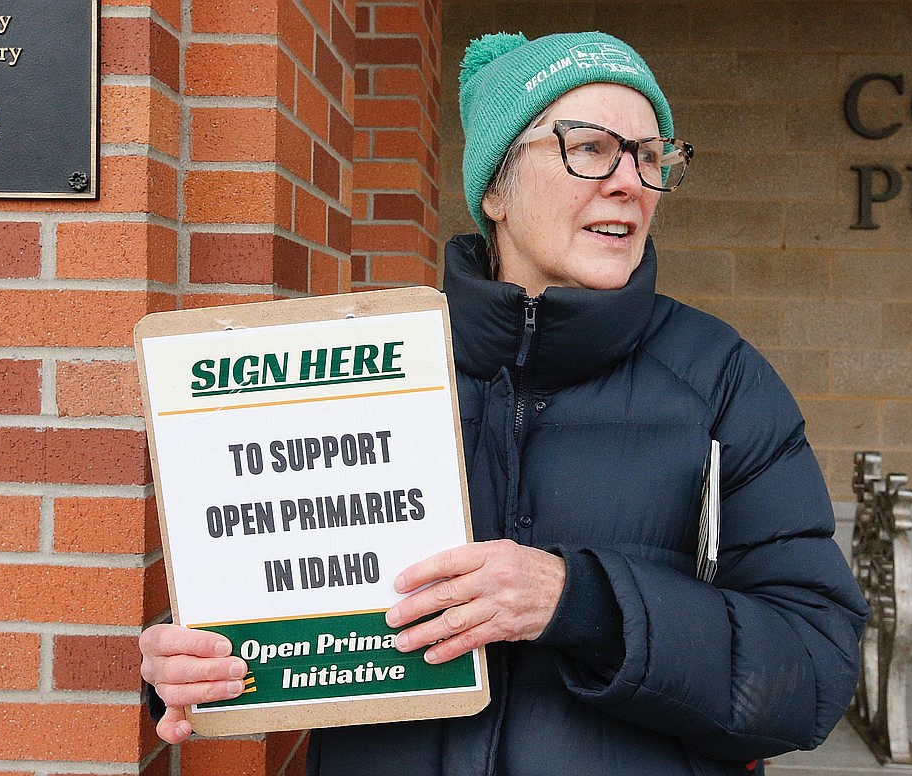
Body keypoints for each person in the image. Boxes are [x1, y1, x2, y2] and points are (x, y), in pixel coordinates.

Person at [140, 30, 869, 776]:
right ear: (494, 188)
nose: (629, 182)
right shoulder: (359, 372)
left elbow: (812, 672)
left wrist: (583, 603)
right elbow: (270, 586)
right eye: (590, 147)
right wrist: (189, 663)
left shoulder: (721, 381)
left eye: (650, 157)